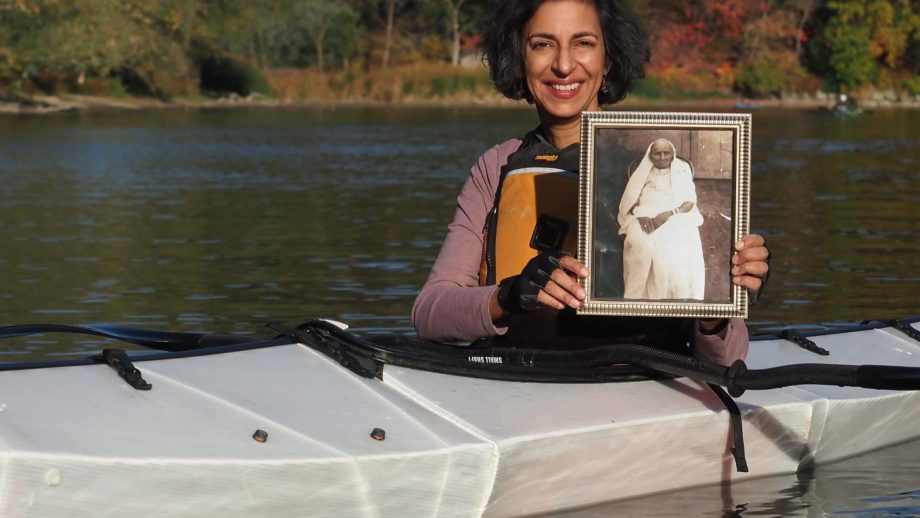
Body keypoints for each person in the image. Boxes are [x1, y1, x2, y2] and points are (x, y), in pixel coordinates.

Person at [412, 0, 770, 366]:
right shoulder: (496, 166)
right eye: (542, 44)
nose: (564, 65)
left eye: (583, 43)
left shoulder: (665, 159)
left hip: (638, 384)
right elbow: (430, 314)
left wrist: (719, 304)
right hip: (518, 384)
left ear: (608, 59)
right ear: (520, 59)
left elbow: (726, 360)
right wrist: (510, 295)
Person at [618, 138, 705, 300]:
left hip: (676, 213)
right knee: (640, 240)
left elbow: (689, 202)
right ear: (650, 155)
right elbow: (631, 199)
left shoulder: (682, 169)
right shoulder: (643, 171)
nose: (662, 157)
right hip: (644, 213)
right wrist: (640, 215)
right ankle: (641, 298)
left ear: (673, 154)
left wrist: (668, 214)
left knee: (677, 240)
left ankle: (677, 298)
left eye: (667, 153)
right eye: (657, 154)